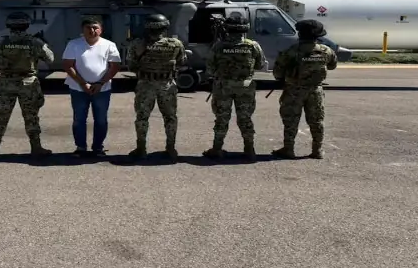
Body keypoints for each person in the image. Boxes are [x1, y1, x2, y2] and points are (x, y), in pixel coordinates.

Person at [0, 11, 55, 159]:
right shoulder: (35, 42)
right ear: (27, 25)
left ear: (8, 25)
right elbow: (50, 59)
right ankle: (36, 148)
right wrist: (45, 43)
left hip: (6, 83)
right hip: (28, 83)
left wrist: (1, 63)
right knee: (31, 116)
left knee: (1, 116)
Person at [271, 19, 337, 159]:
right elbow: (332, 66)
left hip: (294, 90)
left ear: (300, 34)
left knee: (291, 120)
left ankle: (288, 149)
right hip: (316, 91)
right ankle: (317, 150)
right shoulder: (326, 51)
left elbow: (278, 73)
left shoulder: (291, 51)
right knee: (316, 120)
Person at [202, 15, 265, 161]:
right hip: (245, 88)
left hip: (223, 87)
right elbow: (260, 65)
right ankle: (249, 150)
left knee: (222, 119)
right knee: (245, 119)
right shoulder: (253, 45)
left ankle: (217, 149)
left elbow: (210, 69)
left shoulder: (219, 46)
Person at [126, 13, 187, 160]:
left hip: (145, 85)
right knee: (170, 118)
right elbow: (182, 63)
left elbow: (131, 66)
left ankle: (141, 148)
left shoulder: (137, 44)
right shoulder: (175, 44)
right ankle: (171, 149)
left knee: (142, 118)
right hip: (167, 85)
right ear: (165, 26)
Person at [62, 16, 121, 156]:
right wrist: (82, 83)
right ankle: (81, 147)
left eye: (95, 28)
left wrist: (101, 83)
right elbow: (67, 65)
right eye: (88, 28)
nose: (92, 30)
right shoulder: (74, 44)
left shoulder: (109, 45)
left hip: (102, 89)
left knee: (101, 120)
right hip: (78, 88)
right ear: (83, 30)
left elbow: (115, 66)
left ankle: (98, 147)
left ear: (101, 30)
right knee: (79, 120)